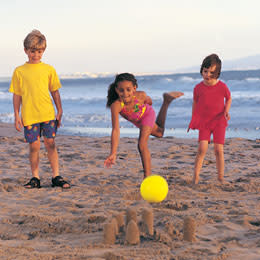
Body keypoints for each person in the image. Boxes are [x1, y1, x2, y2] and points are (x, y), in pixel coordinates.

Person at [9, 29, 70, 189]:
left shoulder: (49, 69)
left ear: (43, 51)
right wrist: (16, 115)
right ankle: (35, 177)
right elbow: (17, 95)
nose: (36, 54)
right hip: (29, 115)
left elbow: (54, 91)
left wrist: (60, 110)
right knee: (34, 146)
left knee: (50, 143)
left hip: (48, 113)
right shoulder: (19, 71)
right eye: (32, 51)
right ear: (26, 51)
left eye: (39, 51)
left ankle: (56, 176)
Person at [104, 73, 184, 178]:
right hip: (137, 121)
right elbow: (115, 130)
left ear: (134, 88)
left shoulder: (140, 95)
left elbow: (149, 101)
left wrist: (146, 105)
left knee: (141, 144)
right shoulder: (116, 105)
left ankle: (147, 177)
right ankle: (166, 100)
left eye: (128, 90)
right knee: (159, 133)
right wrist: (113, 153)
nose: (125, 93)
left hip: (147, 114)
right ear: (116, 89)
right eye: (121, 90)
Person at [187, 54, 232, 184]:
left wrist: (226, 111)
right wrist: (193, 118)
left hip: (219, 121)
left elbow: (228, 98)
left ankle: (220, 177)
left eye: (211, 72)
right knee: (202, 149)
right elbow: (195, 102)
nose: (207, 75)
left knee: (218, 150)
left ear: (217, 73)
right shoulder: (198, 88)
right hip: (204, 122)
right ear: (202, 70)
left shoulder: (222, 86)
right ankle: (195, 176)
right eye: (205, 71)